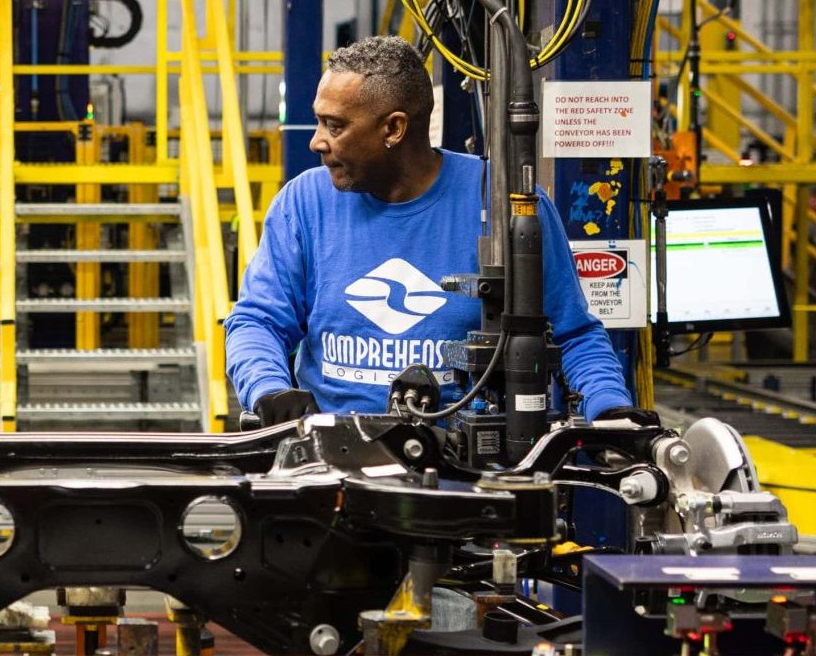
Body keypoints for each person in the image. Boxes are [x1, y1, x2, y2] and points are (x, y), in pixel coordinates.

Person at [225, 36, 637, 424]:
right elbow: (258, 321)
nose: (317, 142)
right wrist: (268, 390)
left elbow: (574, 334)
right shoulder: (304, 203)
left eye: (334, 126)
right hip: (335, 462)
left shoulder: (504, 202)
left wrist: (609, 409)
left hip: (471, 471)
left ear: (393, 129)